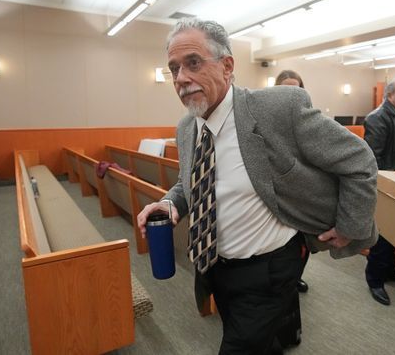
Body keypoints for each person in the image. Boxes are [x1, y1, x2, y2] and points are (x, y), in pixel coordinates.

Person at [137, 18, 378, 355]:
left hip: (270, 271)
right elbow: (188, 180)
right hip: (215, 267)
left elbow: (359, 160)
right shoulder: (187, 127)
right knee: (258, 341)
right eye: (173, 68)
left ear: (227, 66)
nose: (180, 78)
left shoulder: (279, 108)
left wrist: (351, 225)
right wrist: (170, 203)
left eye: (193, 63)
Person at [363, 77, 395, 306]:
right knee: (382, 237)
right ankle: (374, 280)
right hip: (386, 186)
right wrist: (390, 185)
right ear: (390, 95)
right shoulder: (377, 118)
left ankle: (389, 269)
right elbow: (373, 158)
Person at [275, 69, 309, 293]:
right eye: (286, 89)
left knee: (304, 243)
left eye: (296, 90)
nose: (291, 94)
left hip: (303, 190)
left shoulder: (308, 118)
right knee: (283, 244)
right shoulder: (269, 118)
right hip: (279, 190)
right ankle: (286, 279)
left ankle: (297, 276)